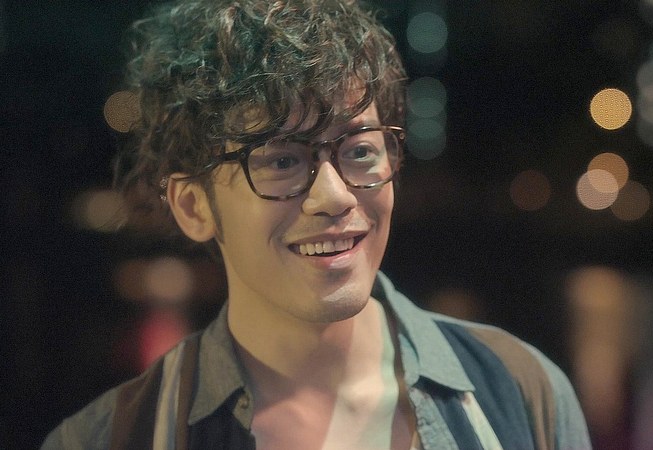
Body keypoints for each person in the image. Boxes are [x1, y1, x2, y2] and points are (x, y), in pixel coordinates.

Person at [42, 0, 590, 448]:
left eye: (360, 151)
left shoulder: (520, 392)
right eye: (281, 160)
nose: (334, 196)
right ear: (193, 207)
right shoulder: (109, 438)